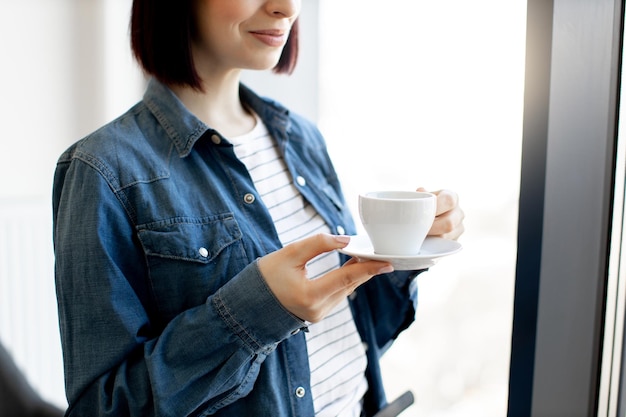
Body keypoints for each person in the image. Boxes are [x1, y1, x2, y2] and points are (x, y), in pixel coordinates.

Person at [52, 1, 465, 416]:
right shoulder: (103, 171)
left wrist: (406, 253)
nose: (286, 7)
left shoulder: (301, 138)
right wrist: (258, 311)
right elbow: (101, 409)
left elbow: (355, 337)